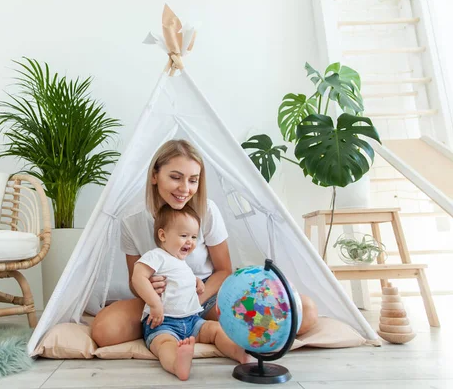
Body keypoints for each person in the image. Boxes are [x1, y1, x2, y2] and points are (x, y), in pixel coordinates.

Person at [91, 139, 318, 348]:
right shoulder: (131, 221)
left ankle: (187, 328)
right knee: (104, 330)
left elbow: (223, 270)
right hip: (160, 301)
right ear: (154, 176)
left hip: (205, 295)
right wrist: (151, 288)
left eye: (193, 180)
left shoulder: (206, 211)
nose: (185, 189)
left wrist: (192, 301)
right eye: (175, 177)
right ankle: (165, 329)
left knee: (304, 312)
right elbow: (134, 282)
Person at [133, 204, 252, 380]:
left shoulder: (182, 263)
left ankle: (240, 353)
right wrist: (154, 304)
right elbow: (138, 277)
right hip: (163, 323)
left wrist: (196, 282)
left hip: (192, 320)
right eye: (183, 235)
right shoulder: (156, 255)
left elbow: (180, 278)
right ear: (162, 235)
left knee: (215, 329)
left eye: (194, 237)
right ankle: (177, 363)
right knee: (165, 344)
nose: (190, 241)